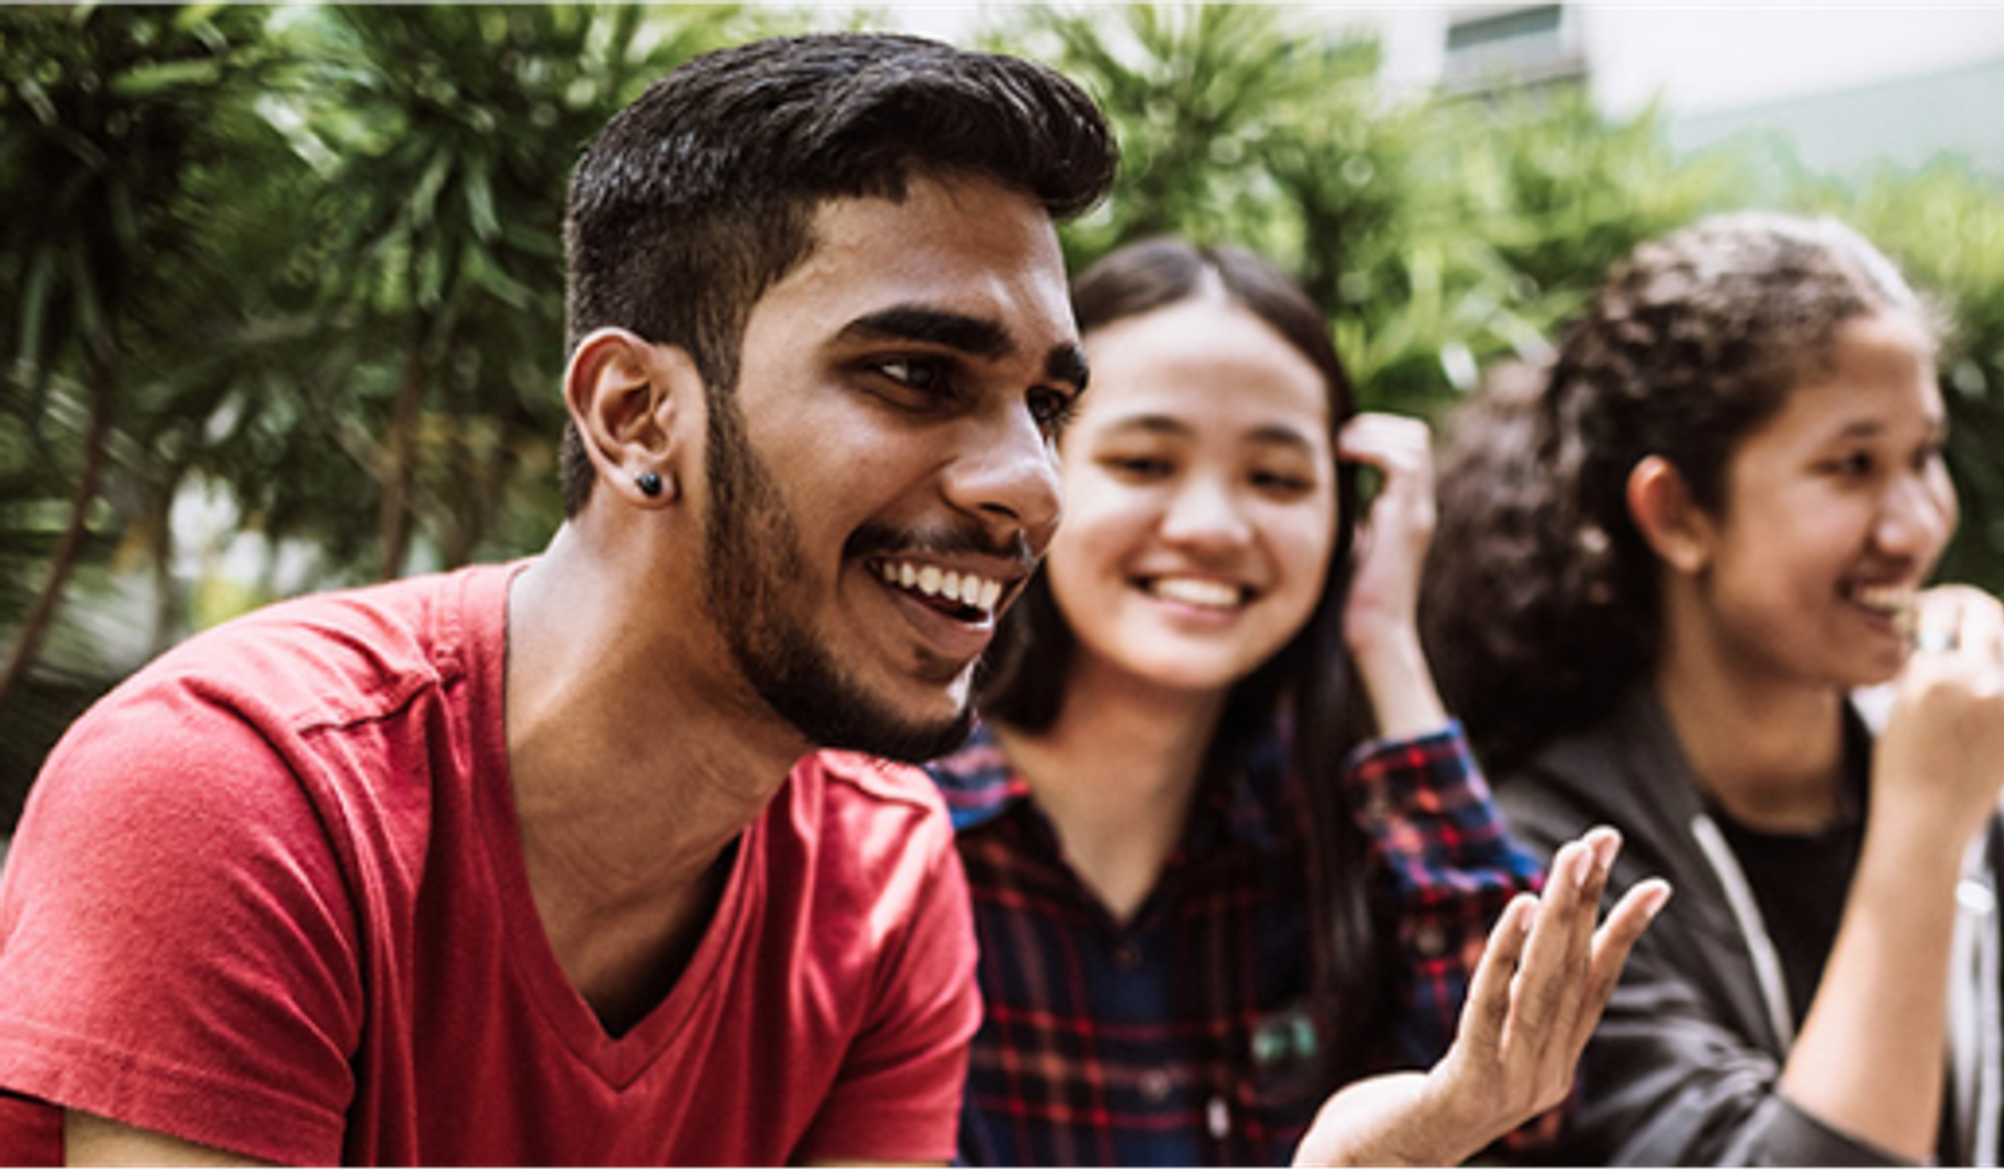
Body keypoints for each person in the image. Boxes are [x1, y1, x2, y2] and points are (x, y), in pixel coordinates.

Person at [0, 34, 1637, 1170]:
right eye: (917, 374)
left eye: (1043, 403)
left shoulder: (876, 868)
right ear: (636, 416)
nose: (1030, 485)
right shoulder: (238, 797)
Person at [1424, 212, 2004, 1168]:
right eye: (1851, 466)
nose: (1915, 525)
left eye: (1925, 456)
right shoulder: (1556, 859)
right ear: (1678, 513)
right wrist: (1923, 830)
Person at [926, 237, 1667, 1169]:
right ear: (1038, 470)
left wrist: (1386, 641)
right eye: (1146, 462)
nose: (1210, 527)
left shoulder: (1324, 830)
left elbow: (1524, 1101)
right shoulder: (892, 832)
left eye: (1276, 478)